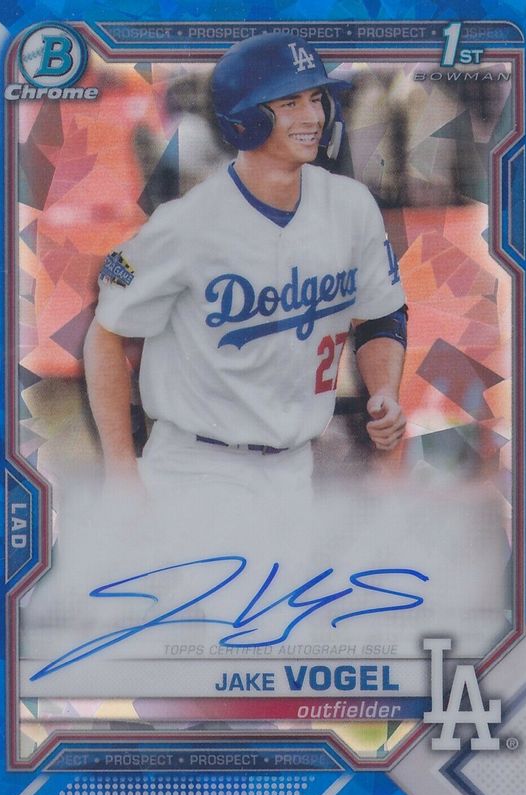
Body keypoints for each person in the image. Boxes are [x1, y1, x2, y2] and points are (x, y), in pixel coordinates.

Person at [83, 33, 407, 508]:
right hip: (196, 471)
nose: (313, 117)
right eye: (290, 103)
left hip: (294, 471)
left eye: (316, 99)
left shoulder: (351, 206)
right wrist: (120, 470)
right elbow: (106, 332)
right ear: (245, 119)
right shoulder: (186, 224)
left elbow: (381, 314)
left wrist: (385, 391)